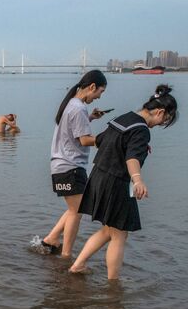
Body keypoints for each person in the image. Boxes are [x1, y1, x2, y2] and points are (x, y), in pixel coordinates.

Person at [69, 85, 178, 279]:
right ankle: (114, 286)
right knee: (120, 235)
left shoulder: (124, 118)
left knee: (108, 230)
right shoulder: (142, 130)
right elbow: (132, 159)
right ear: (160, 112)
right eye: (164, 120)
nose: (160, 124)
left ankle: (77, 266)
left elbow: (101, 140)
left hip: (98, 176)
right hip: (116, 182)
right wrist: (138, 180)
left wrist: (128, 147)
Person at [40, 70, 108, 258]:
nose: (98, 97)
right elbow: (85, 140)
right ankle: (67, 256)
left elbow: (72, 129)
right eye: (100, 92)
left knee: (74, 209)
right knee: (76, 212)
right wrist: (109, 139)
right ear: (92, 87)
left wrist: (91, 118)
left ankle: (51, 239)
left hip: (62, 165)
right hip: (70, 167)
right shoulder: (78, 108)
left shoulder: (71, 104)